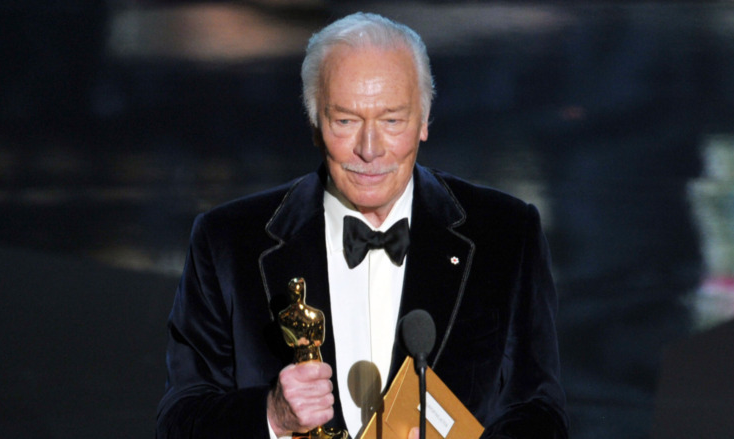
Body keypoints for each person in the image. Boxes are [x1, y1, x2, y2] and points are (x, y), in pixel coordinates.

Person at [156, 12, 568, 439]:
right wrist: (272, 415)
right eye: (346, 121)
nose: (369, 150)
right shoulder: (228, 242)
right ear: (315, 124)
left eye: (392, 120)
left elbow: (538, 411)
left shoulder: (504, 234)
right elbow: (178, 421)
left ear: (424, 122)